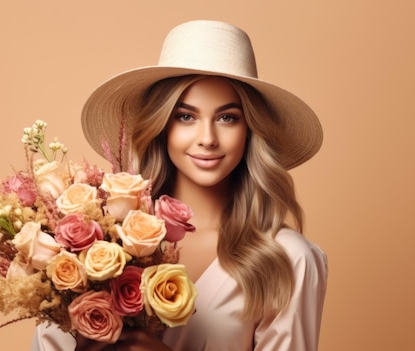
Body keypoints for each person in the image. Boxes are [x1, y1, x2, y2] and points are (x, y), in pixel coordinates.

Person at [32, 19, 328, 351]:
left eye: (227, 117)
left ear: (250, 130)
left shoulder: (287, 259)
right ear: (162, 126)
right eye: (186, 116)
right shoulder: (91, 245)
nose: (207, 139)